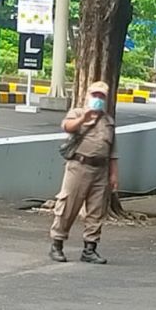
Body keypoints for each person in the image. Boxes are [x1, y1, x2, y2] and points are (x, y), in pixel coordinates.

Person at [49, 81, 119, 265]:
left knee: (97, 210)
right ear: (88, 95)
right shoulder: (78, 113)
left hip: (100, 170)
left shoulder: (108, 121)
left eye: (101, 96)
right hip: (79, 167)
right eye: (95, 95)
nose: (98, 99)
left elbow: (113, 151)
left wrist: (113, 175)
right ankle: (57, 244)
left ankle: (90, 248)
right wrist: (84, 118)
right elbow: (67, 127)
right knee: (68, 206)